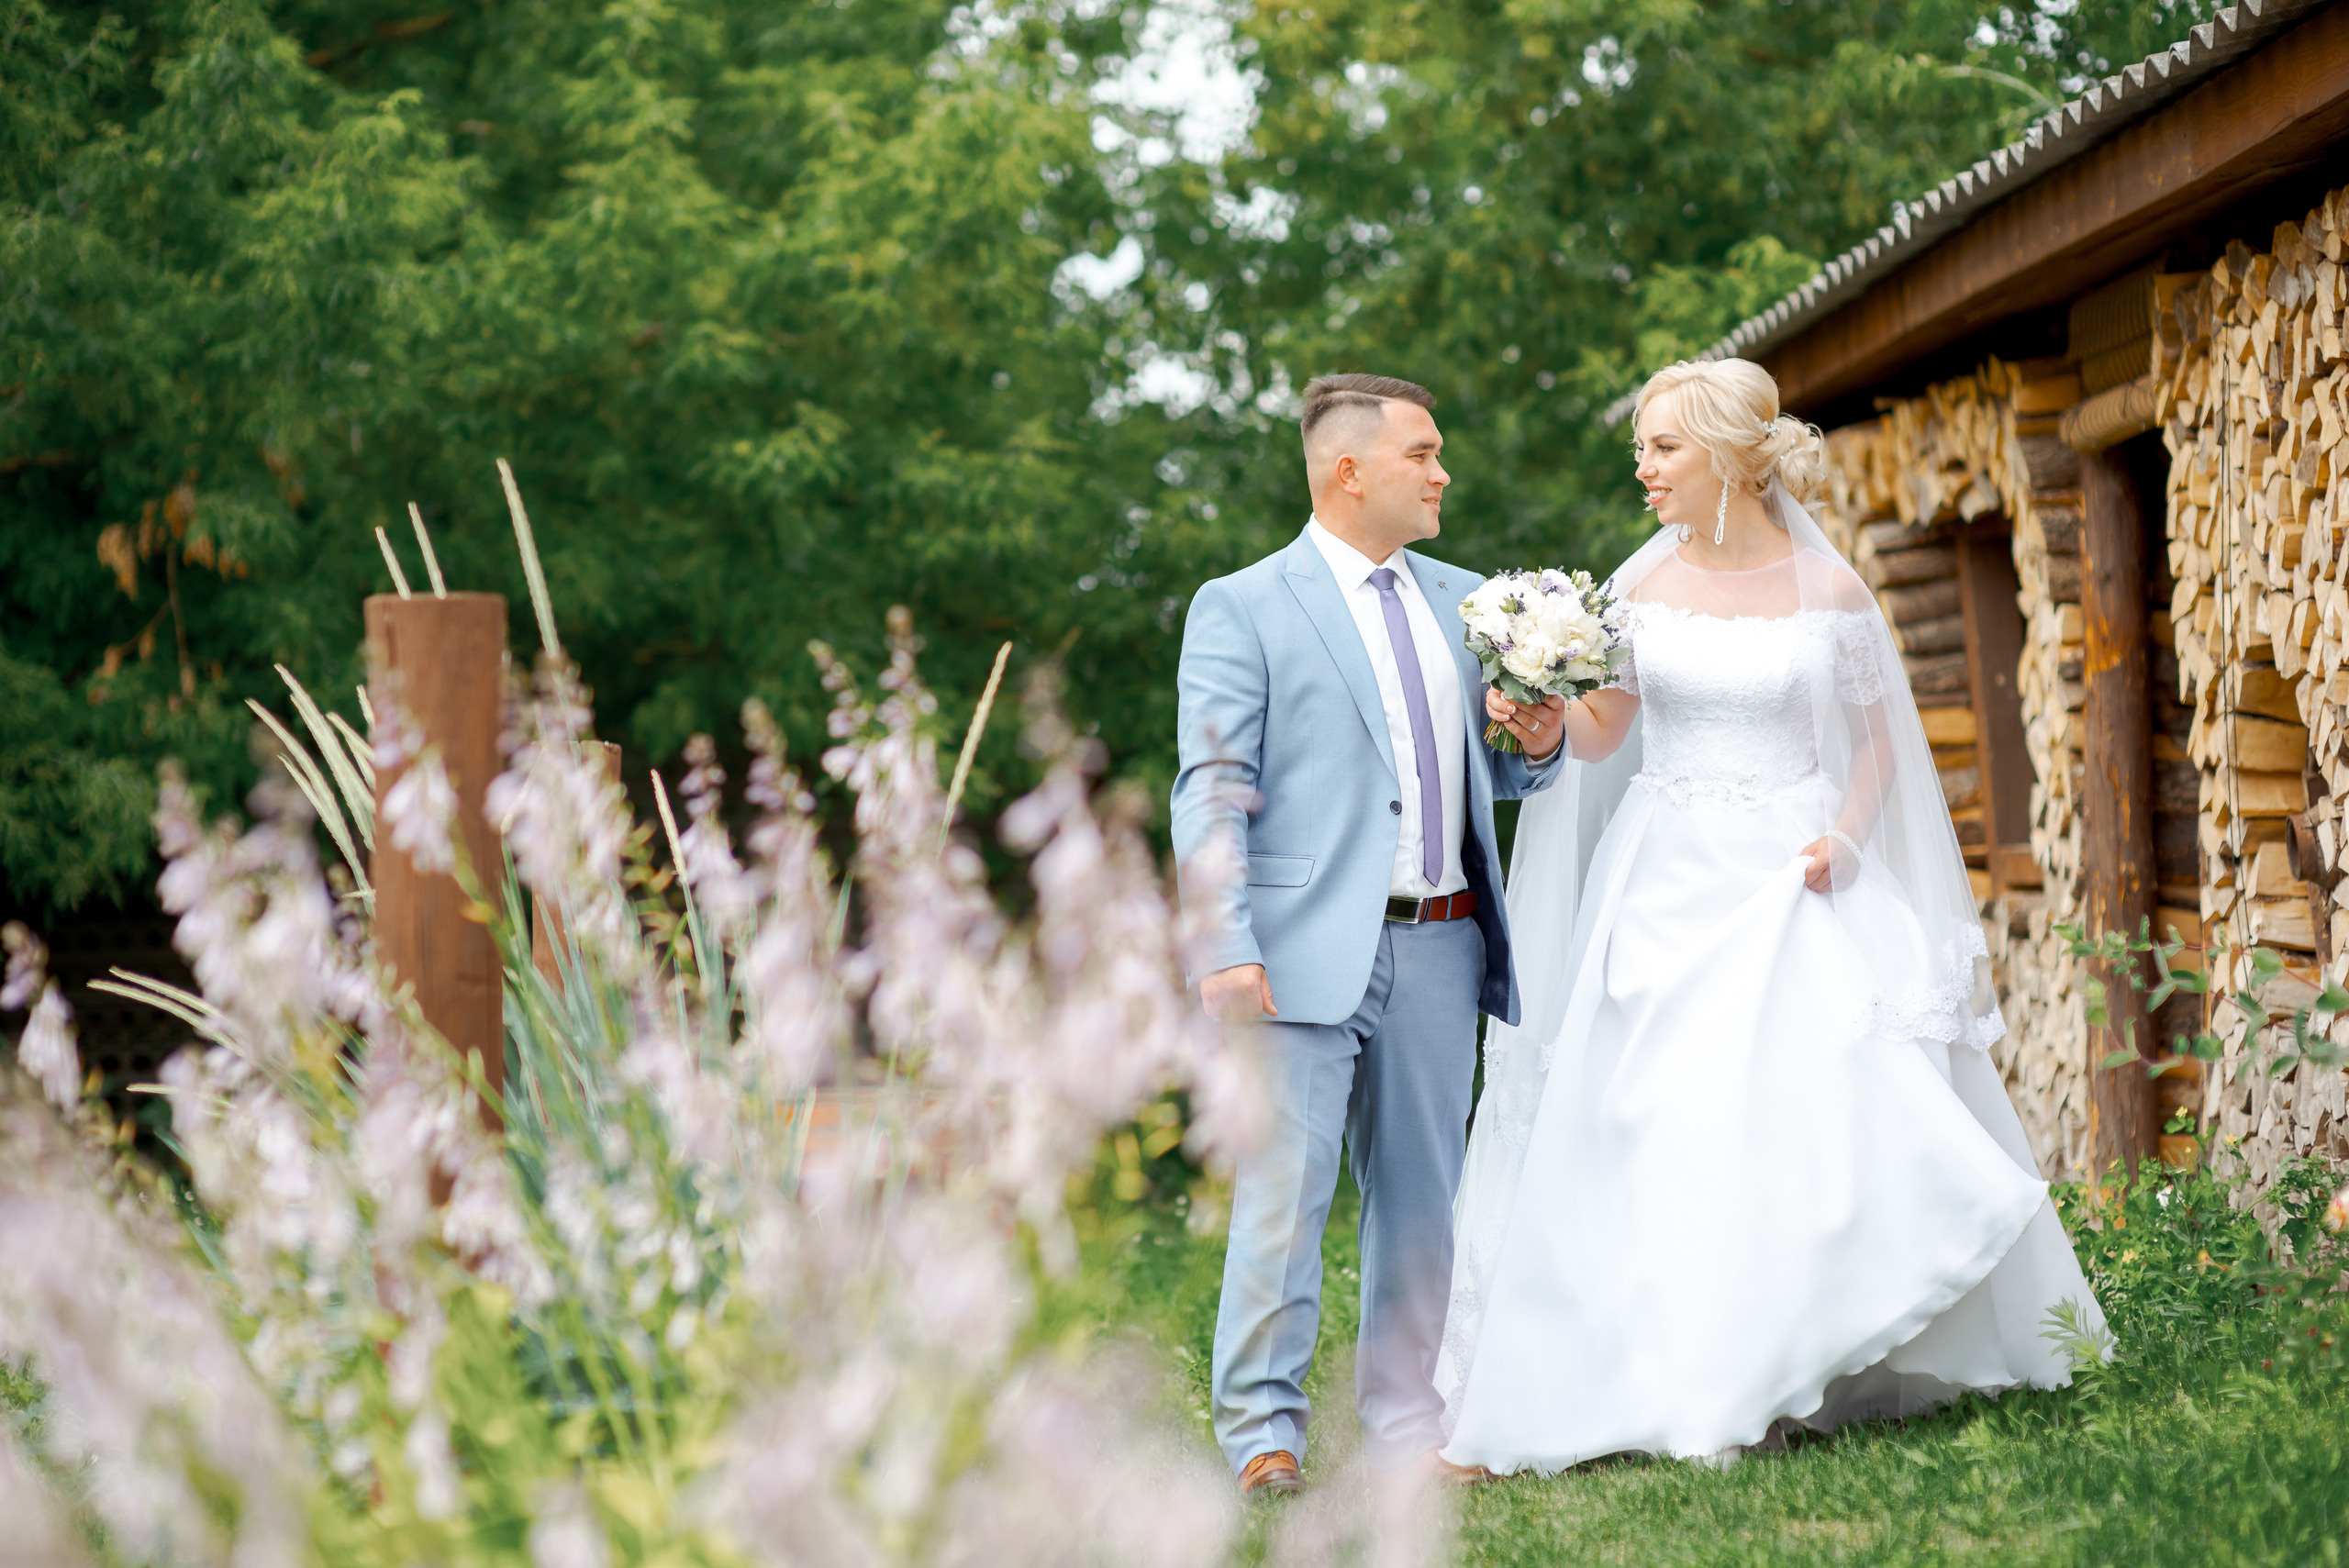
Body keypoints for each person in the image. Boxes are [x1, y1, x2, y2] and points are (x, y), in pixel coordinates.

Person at [1436, 358, 2108, 1474]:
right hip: (1666, 875)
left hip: (1793, 872)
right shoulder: (1636, 590)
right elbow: (1605, 731)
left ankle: (1805, 1347)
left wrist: (1846, 836)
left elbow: (1880, 744)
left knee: (1805, 1113)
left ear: (1727, 455)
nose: (1644, 469)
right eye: (1642, 449)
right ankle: (1670, 1369)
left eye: (1662, 447)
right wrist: (1549, 725)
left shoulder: (1830, 592)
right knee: (1659, 1116)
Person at [1170, 373, 1568, 1497]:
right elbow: (1211, 788)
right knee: (1282, 1200)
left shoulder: (1472, 602)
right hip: (1295, 950)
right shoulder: (1242, 604)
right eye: (1422, 454)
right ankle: (1263, 1434)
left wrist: (1537, 741)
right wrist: (1222, 941)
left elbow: (1501, 771)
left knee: (1421, 1206)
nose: (1443, 473)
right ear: (1349, 470)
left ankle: (1405, 1425)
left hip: (1443, 942)